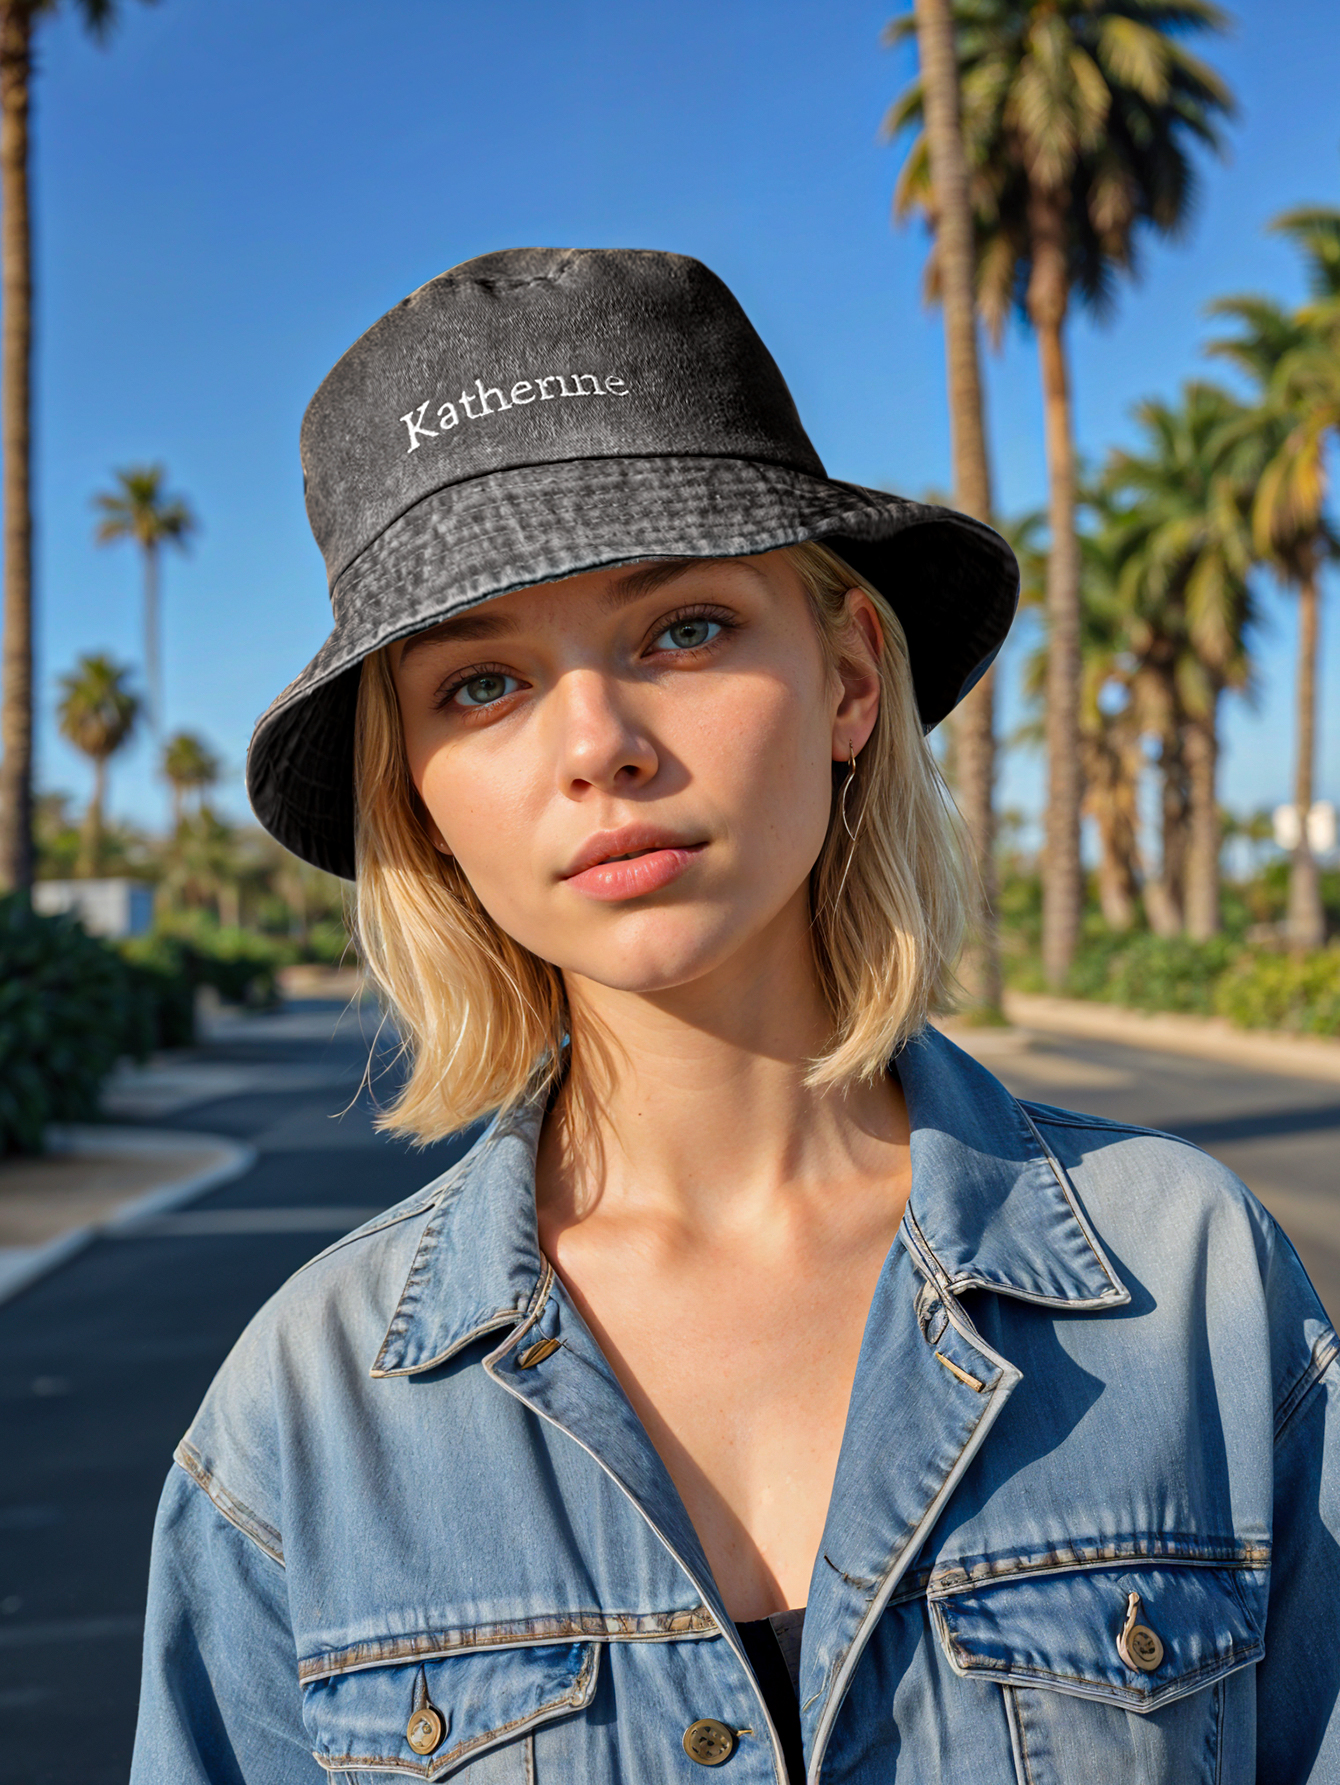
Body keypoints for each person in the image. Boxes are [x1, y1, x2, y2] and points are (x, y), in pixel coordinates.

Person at [131, 249, 1340, 1785]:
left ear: (848, 680)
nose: (599, 744)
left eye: (683, 628)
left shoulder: (1195, 1288)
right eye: (482, 683)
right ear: (419, 798)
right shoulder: (302, 1417)